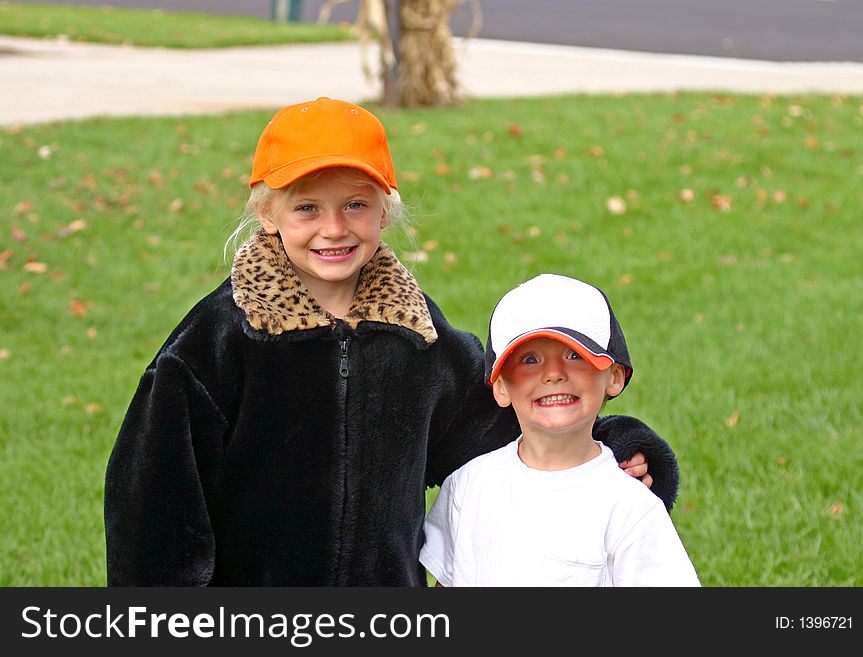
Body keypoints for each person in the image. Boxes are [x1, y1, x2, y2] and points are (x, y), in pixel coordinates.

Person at [104, 97, 681, 586]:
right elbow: (153, 505)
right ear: (268, 212)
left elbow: (502, 422)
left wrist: (616, 443)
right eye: (308, 207)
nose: (334, 228)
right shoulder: (217, 344)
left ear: (386, 210)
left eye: (355, 204)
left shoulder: (417, 337)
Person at [420, 274, 700, 586]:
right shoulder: (468, 486)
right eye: (529, 359)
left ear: (615, 376)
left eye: (575, 355)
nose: (553, 373)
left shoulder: (629, 507)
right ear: (500, 387)